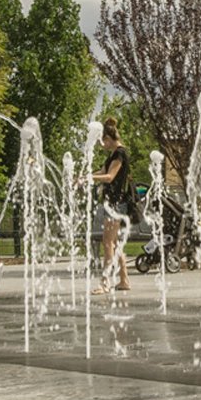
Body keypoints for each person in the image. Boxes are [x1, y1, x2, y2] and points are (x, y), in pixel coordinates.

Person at [91, 117, 133, 295]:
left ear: (108, 138)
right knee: (113, 243)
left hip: (116, 204)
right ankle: (124, 280)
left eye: (102, 141)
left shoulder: (120, 154)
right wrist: (84, 177)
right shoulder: (113, 155)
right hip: (114, 203)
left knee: (107, 243)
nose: (102, 145)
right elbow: (102, 172)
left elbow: (109, 177)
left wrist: (89, 178)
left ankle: (105, 283)